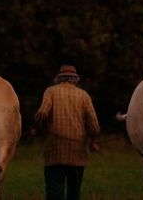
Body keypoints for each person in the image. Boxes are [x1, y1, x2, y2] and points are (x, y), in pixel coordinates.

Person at [33, 64, 101, 200]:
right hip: (78, 153)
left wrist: (38, 128)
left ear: (59, 78)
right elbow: (94, 124)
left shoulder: (51, 92)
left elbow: (42, 112)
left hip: (54, 151)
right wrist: (93, 141)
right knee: (74, 192)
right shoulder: (84, 95)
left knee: (54, 190)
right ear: (75, 79)